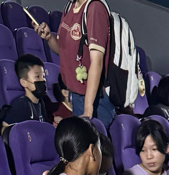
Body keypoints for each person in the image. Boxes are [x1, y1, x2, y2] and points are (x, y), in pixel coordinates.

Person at [36, 0, 115, 128]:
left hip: (96, 99)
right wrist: (49, 37)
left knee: (93, 139)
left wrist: (88, 109)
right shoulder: (70, 7)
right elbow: (64, 50)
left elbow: (97, 62)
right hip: (76, 95)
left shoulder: (95, 8)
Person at [0, 54, 52, 127]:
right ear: (24, 82)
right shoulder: (21, 104)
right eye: (37, 76)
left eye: (43, 76)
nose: (42, 80)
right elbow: (5, 127)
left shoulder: (41, 102)